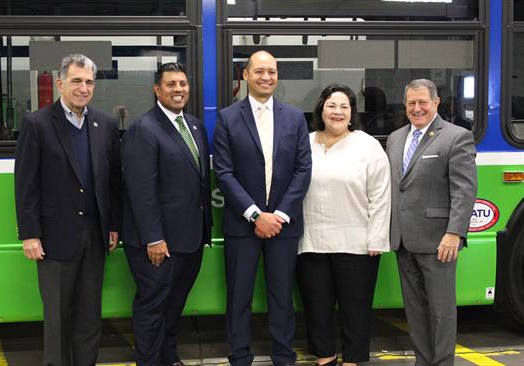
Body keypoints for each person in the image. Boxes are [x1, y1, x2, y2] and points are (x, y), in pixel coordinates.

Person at [14, 53, 121, 366]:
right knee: (58, 319)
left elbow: (113, 181)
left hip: (95, 235)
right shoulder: (38, 124)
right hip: (54, 237)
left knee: (89, 319)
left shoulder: (106, 124)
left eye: (89, 81)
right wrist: (30, 233)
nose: (83, 87)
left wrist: (113, 225)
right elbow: (26, 185)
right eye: (76, 80)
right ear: (60, 83)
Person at [213, 50, 312, 366]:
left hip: (283, 225)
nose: (266, 77)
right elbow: (224, 173)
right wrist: (255, 214)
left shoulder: (295, 117)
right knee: (239, 296)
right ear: (245, 75)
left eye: (271, 71)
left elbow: (302, 169)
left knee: (281, 296)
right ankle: (239, 355)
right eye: (259, 71)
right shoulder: (228, 118)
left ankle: (283, 355)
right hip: (242, 225)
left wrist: (279, 215)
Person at [122, 62, 212, 366]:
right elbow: (141, 190)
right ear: (157, 90)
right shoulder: (142, 129)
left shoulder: (195, 126)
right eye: (171, 84)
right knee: (152, 307)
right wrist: (154, 238)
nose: (178, 89)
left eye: (183, 84)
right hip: (159, 244)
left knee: (174, 306)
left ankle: (169, 357)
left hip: (190, 239)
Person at [297, 84, 391, 366]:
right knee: (316, 306)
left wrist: (376, 238)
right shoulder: (305, 142)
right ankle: (325, 356)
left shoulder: (368, 145)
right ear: (321, 110)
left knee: (356, 308)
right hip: (310, 241)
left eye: (344, 107)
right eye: (331, 106)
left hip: (357, 243)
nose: (337, 112)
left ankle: (353, 359)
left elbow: (381, 195)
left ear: (352, 113)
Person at [386, 79, 477, 366]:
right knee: (414, 309)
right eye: (411, 103)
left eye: (423, 102)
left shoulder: (456, 136)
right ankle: (423, 361)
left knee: (441, 311)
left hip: (439, 240)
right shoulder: (395, 138)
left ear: (436, 103)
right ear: (405, 105)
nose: (417, 108)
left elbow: (464, 190)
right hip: (403, 239)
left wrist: (454, 233)